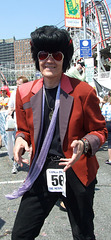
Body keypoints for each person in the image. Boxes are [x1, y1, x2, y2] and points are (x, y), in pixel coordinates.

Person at [6, 25, 107, 240]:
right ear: (37, 58)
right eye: (43, 54)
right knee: (20, 234)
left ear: (64, 58)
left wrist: (85, 144)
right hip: (40, 170)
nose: (49, 60)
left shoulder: (83, 91)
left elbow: (100, 130)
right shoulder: (24, 92)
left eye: (57, 54)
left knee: (83, 234)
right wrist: (20, 139)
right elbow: (23, 129)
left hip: (76, 169)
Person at [7, 76, 28, 174]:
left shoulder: (29, 93)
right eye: (17, 84)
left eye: (19, 84)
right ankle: (15, 164)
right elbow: (10, 107)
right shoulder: (14, 94)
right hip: (16, 123)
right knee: (16, 143)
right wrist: (9, 113)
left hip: (28, 124)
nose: (17, 86)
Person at [102, 96, 111, 165]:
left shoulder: (106, 105)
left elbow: (103, 116)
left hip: (108, 122)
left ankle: (110, 159)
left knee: (110, 142)